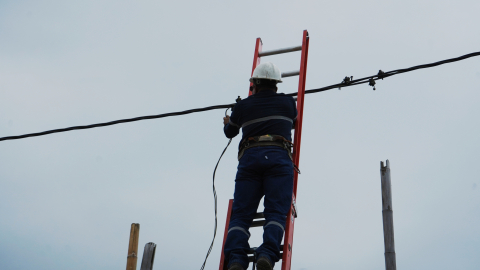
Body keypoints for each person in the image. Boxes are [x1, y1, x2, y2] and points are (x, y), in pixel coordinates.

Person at [222, 62, 297, 270]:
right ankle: (266, 254)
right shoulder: (288, 103)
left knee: (241, 214)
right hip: (278, 157)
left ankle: (236, 258)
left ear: (253, 83)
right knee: (275, 212)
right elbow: (294, 120)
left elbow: (230, 132)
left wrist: (229, 120)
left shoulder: (243, 106)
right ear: (276, 85)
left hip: (250, 159)